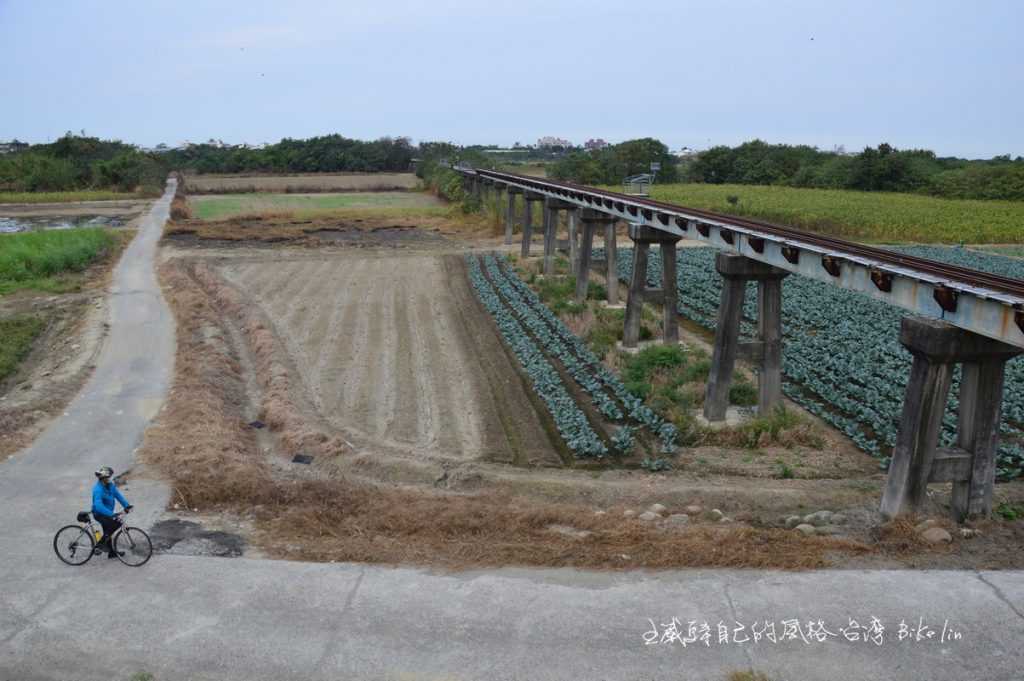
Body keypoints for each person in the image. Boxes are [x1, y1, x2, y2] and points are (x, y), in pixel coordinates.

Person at [92, 466, 132, 559]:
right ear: (103, 478)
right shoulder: (98, 489)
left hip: (107, 513)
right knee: (116, 524)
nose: (109, 479)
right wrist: (111, 514)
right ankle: (99, 545)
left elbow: (118, 495)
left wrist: (127, 505)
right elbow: (98, 506)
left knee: (108, 531)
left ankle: (111, 553)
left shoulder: (110, 486)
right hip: (99, 514)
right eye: (108, 477)